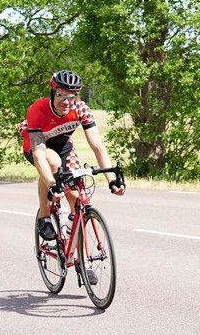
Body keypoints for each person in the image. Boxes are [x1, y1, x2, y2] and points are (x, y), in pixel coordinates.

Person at [19, 70, 125, 243]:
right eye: (61, 95)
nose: (66, 102)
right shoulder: (38, 109)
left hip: (63, 147)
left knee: (77, 200)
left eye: (71, 97)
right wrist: (52, 185)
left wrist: (111, 180)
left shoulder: (81, 109)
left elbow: (97, 146)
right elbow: (39, 154)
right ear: (53, 92)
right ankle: (44, 217)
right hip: (37, 146)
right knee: (52, 163)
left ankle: (79, 257)